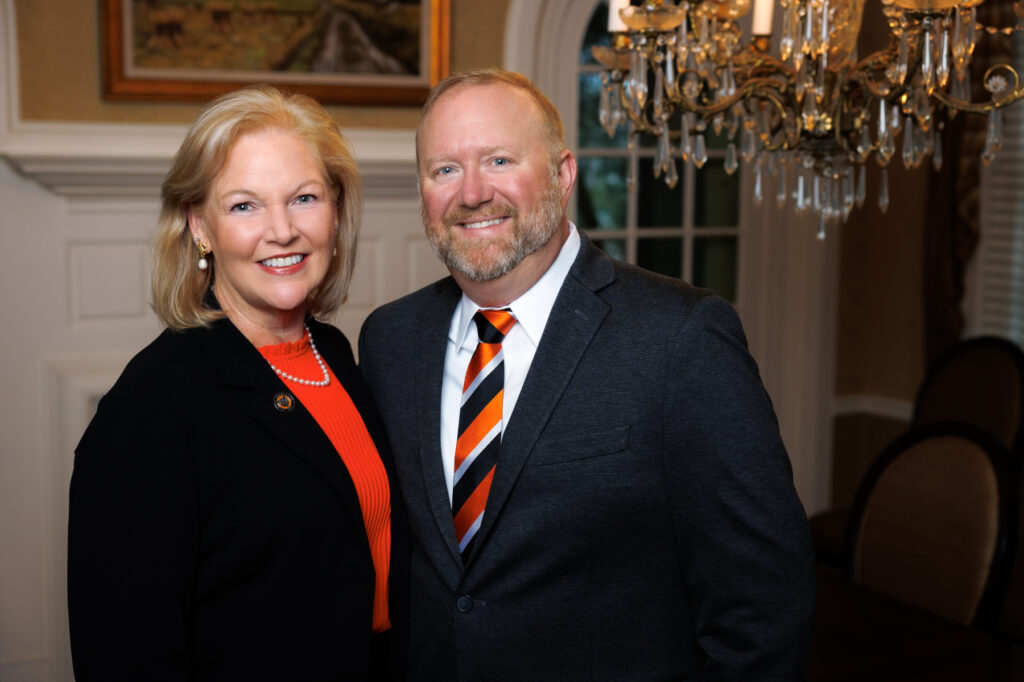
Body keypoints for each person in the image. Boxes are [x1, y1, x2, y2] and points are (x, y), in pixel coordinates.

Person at [358, 68, 815, 681]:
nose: (471, 193)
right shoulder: (391, 340)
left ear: (563, 174)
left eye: (498, 159)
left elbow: (765, 609)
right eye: (444, 169)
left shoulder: (681, 337)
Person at [68, 84, 407, 681]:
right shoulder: (153, 407)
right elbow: (125, 655)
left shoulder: (333, 352)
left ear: (336, 209)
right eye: (245, 206)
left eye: (303, 198)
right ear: (200, 226)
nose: (282, 231)